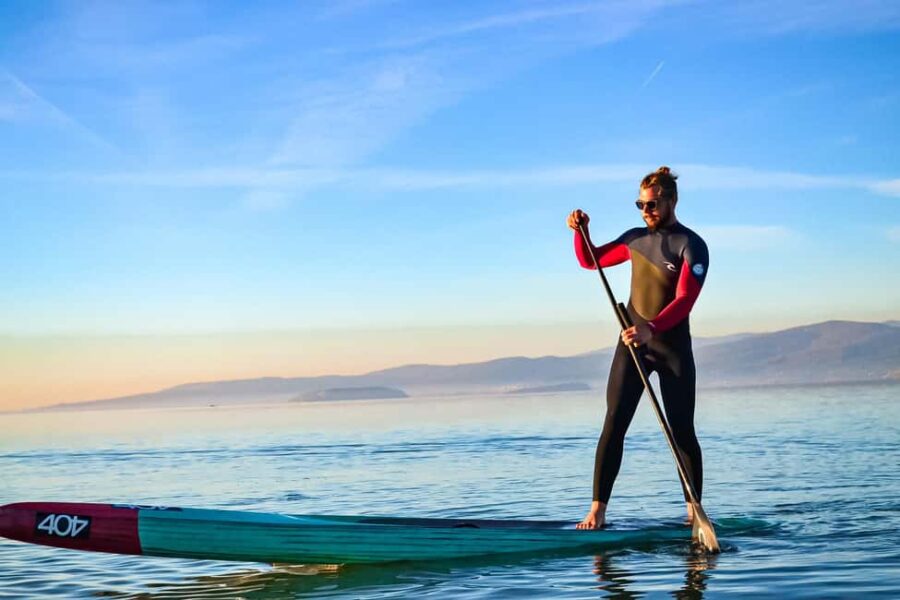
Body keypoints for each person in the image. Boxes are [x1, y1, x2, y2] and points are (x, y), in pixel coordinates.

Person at [566, 166, 709, 529]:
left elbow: (685, 300)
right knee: (614, 424)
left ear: (672, 200)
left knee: (682, 430)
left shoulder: (691, 245)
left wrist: (652, 328)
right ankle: (597, 511)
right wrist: (581, 233)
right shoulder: (634, 239)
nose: (646, 211)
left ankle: (694, 511)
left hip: (672, 346)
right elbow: (590, 261)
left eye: (653, 204)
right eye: (640, 205)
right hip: (633, 345)